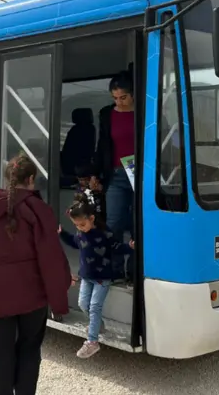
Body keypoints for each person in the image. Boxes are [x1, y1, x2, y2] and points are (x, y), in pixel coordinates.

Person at [0, 154, 71, 395]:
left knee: (0, 351)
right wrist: (60, 294)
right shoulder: (39, 210)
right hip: (32, 298)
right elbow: (51, 258)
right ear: (31, 178)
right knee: (29, 349)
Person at [59, 193, 134, 359]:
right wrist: (62, 233)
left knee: (94, 306)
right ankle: (98, 327)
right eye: (76, 225)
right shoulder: (80, 234)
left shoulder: (104, 233)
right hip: (86, 276)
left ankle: (92, 341)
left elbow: (116, 247)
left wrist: (129, 247)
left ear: (92, 218)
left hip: (102, 277)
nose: (80, 228)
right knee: (83, 303)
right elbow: (74, 242)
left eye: (82, 224)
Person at [91, 68, 136, 281]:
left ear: (133, 94)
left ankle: (135, 270)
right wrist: (95, 174)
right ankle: (116, 269)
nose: (119, 102)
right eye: (115, 98)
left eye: (123, 97)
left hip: (141, 175)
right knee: (114, 223)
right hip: (116, 175)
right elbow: (103, 147)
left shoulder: (147, 113)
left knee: (139, 223)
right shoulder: (107, 114)